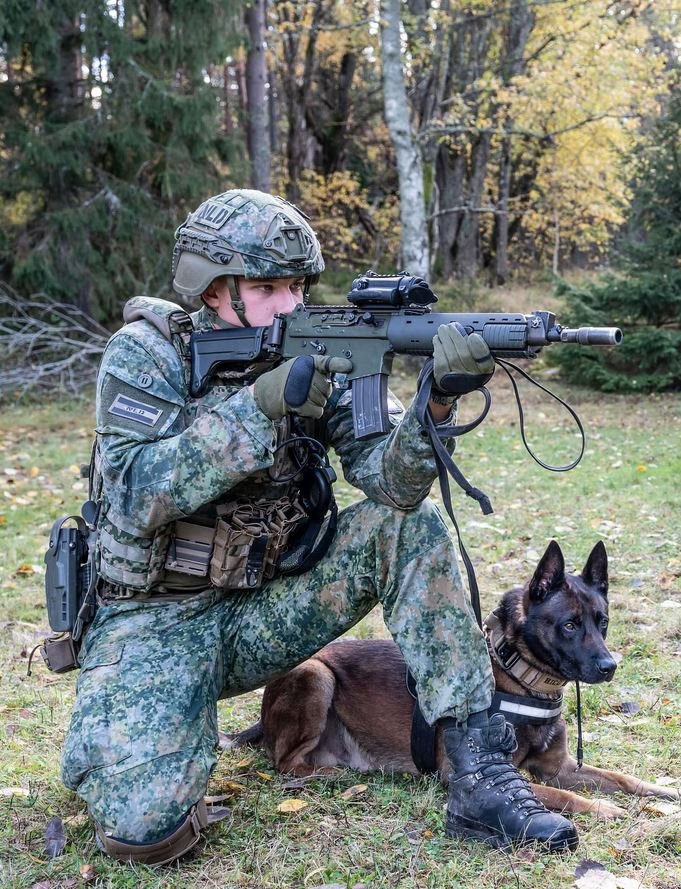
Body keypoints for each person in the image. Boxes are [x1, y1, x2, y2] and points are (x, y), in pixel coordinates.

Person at [61, 189, 578, 865]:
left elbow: (393, 485)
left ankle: (479, 770)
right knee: (145, 834)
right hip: (152, 621)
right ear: (213, 289)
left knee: (409, 524)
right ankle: (122, 740)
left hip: (263, 612)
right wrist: (259, 407)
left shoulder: (327, 354)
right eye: (267, 288)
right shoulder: (147, 355)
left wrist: (437, 402)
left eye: (299, 286)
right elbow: (134, 497)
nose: (290, 304)